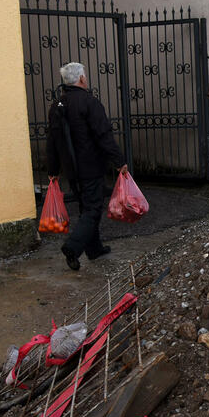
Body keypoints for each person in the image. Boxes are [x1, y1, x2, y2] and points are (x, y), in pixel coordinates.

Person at [46, 62, 127, 271]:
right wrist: (119, 162)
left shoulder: (57, 106)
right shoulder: (89, 103)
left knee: (86, 207)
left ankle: (95, 248)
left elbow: (53, 141)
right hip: (90, 166)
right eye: (86, 76)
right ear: (81, 79)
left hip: (71, 169)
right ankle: (73, 247)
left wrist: (52, 171)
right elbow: (103, 135)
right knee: (92, 209)